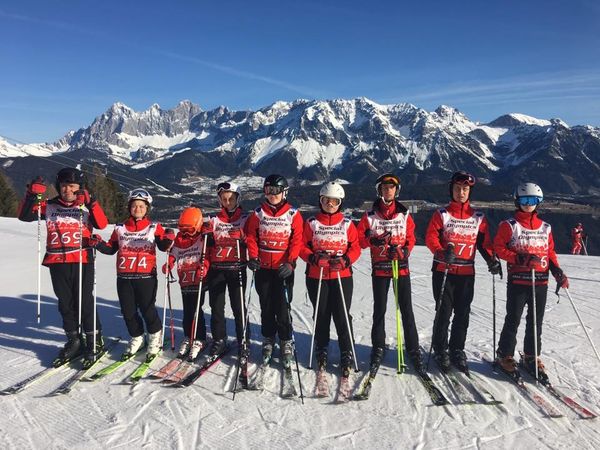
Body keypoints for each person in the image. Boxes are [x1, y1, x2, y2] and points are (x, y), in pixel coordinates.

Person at [18, 167, 108, 367]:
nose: (68, 190)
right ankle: (74, 340)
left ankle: (94, 339)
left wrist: (91, 202)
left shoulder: (85, 206)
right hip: (57, 261)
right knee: (65, 303)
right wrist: (31, 195)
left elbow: (102, 224)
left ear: (80, 187)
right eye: (64, 186)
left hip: (82, 259)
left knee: (84, 301)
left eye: (72, 186)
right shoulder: (49, 206)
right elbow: (24, 216)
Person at [424, 171, 500, 373]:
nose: (461, 192)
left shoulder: (478, 218)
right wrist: (441, 252)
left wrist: (492, 260)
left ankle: (457, 349)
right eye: (457, 188)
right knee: (443, 312)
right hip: (444, 270)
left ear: (470, 192)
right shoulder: (441, 214)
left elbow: (484, 244)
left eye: (465, 189)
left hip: (466, 273)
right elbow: (431, 238)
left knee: (463, 313)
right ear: (452, 190)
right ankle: (440, 349)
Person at [494, 182, 569, 381]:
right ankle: (505, 354)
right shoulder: (509, 225)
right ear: (517, 201)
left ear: (539, 202)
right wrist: (519, 258)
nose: (528, 204)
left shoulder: (545, 227)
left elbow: (549, 253)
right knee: (513, 318)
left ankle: (531, 355)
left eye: (533, 200)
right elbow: (499, 248)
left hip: (541, 282)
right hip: (519, 281)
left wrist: (557, 271)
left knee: (536, 321)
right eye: (525, 200)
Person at [90, 189, 174, 358]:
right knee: (128, 312)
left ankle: (155, 337)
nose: (138, 209)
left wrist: (168, 239)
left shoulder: (153, 227)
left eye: (142, 206)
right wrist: (98, 244)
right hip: (124, 278)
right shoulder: (120, 228)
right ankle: (137, 337)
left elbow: (162, 246)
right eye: (134, 205)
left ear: (147, 208)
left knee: (148, 310)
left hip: (146, 277)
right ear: (129, 207)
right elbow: (111, 248)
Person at [356, 173, 422, 372]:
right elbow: (359, 240)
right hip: (380, 269)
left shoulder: (404, 214)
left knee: (406, 309)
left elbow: (411, 239)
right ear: (379, 190)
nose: (388, 191)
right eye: (384, 188)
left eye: (391, 188)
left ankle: (413, 348)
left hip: (401, 268)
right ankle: (378, 346)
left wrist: (404, 251)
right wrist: (372, 240)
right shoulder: (369, 216)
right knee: (380, 310)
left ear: (396, 190)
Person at [300, 182, 361, 375]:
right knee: (321, 313)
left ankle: (346, 350)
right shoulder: (311, 223)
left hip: (341, 275)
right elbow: (302, 246)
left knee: (342, 314)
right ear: (321, 201)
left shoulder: (347, 223)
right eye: (326, 200)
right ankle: (321, 347)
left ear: (340, 203)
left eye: (334, 201)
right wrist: (313, 258)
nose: (330, 204)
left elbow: (355, 247)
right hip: (316, 275)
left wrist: (346, 260)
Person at [245, 174, 303, 367]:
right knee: (266, 306)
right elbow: (251, 236)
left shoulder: (293, 214)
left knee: (283, 307)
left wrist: (291, 262)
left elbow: (297, 240)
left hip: (282, 268)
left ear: (284, 192)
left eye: (276, 190)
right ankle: (268, 337)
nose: (272, 194)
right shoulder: (258, 214)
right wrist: (253, 257)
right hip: (263, 268)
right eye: (268, 190)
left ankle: (286, 339)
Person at [205, 182, 249, 358]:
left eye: (231, 198)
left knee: (238, 307)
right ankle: (219, 339)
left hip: (237, 268)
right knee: (216, 307)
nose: (228, 202)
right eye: (224, 199)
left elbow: (253, 240)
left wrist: (243, 237)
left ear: (238, 199)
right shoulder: (214, 219)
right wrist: (207, 237)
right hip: (217, 269)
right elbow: (206, 244)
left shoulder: (245, 218)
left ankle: (243, 340)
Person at [163, 206, 209, 360]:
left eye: (189, 230)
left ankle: (199, 338)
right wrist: (169, 263)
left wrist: (204, 267)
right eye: (183, 230)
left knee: (196, 310)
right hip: (184, 279)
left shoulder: (202, 238)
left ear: (198, 226)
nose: (186, 233)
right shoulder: (179, 239)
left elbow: (207, 255)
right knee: (187, 312)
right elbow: (174, 253)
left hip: (198, 280)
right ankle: (189, 336)